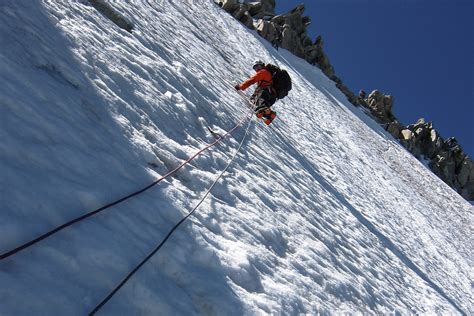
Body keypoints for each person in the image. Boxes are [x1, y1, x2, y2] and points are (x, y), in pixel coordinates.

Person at [235, 60, 277, 125]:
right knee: (261, 108)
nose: (257, 69)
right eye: (255, 68)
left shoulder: (263, 72)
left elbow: (252, 80)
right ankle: (269, 116)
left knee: (261, 107)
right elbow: (258, 88)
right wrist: (253, 97)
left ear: (262, 65)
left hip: (266, 92)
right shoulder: (266, 75)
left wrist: (240, 87)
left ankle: (268, 112)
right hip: (272, 96)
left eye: (258, 66)